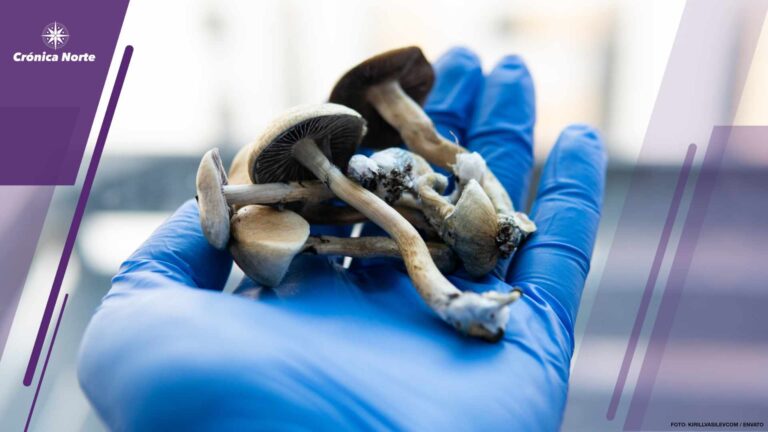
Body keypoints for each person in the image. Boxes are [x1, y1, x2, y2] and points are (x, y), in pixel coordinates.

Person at [78, 47, 605, 431]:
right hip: (347, 220)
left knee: (404, 199)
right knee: (366, 211)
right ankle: (450, 290)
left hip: (408, 200)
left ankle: (461, 247)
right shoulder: (289, 199)